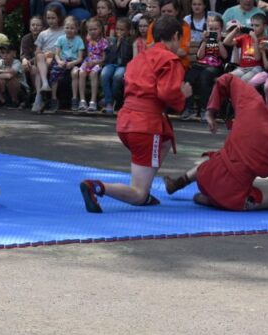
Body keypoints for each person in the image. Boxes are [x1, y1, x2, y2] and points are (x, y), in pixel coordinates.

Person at [163, 73, 268, 216]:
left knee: (220, 157)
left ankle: (186, 184)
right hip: (231, 195)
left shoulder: (251, 103)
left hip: (206, 177)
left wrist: (211, 111)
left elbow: (227, 79)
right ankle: (213, 201)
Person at [79, 15, 191, 212]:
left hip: (126, 121)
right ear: (175, 36)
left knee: (165, 141)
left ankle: (143, 188)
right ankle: (97, 187)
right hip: (145, 126)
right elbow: (166, 93)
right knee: (138, 193)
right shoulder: (171, 60)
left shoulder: (140, 58)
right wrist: (183, 95)